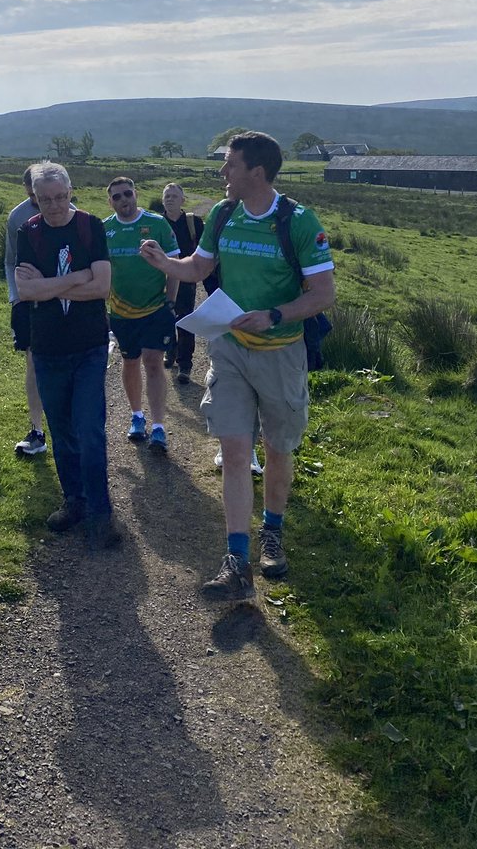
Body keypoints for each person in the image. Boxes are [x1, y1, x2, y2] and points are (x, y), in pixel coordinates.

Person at [140, 131, 335, 602]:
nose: (223, 173)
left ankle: (272, 531)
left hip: (281, 353)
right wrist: (165, 263)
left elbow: (323, 294)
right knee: (232, 448)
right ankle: (237, 560)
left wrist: (274, 315)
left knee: (277, 449)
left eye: (230, 165)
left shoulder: (299, 223)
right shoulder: (223, 216)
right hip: (228, 348)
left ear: (257, 172)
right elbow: (197, 269)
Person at [15, 162, 121, 548]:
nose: (55, 206)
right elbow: (26, 292)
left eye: (61, 197)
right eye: (45, 199)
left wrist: (50, 286)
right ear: (34, 198)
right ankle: (73, 501)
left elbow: (102, 288)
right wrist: (77, 277)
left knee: (90, 431)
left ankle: (101, 513)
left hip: (89, 346)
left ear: (70, 191)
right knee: (61, 430)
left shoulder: (90, 227)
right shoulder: (28, 232)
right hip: (47, 349)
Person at [104, 177, 179, 452]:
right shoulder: (105, 229)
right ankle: (137, 417)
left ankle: (158, 427)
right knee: (131, 362)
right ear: (109, 201)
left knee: (153, 362)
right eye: (117, 197)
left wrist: (170, 303)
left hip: (156, 308)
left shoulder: (158, 224)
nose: (123, 200)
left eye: (127, 194)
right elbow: (101, 272)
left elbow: (174, 265)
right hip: (121, 312)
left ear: (136, 194)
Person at [4, 165, 47, 457]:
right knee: (33, 364)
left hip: (65, 303)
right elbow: (9, 261)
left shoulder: (73, 213)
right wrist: (16, 297)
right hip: (27, 303)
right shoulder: (17, 217)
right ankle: (37, 431)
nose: (40, 201)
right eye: (34, 196)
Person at [160, 182, 218, 383]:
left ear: (183, 200)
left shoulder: (194, 223)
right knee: (166, 317)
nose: (170, 199)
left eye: (174, 196)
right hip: (162, 278)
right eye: (167, 196)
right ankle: (171, 352)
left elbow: (206, 251)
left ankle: (185, 365)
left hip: (186, 277)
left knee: (185, 319)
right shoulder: (157, 223)